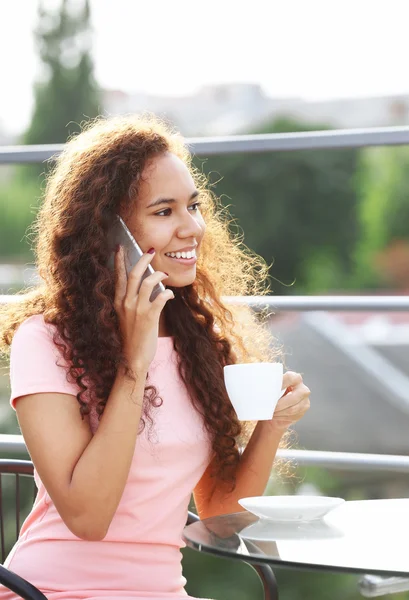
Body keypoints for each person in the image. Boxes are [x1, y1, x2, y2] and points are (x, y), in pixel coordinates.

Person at [0, 114, 310, 600]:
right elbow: (88, 517)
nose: (192, 228)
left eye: (193, 205)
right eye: (164, 212)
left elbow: (220, 515)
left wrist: (270, 425)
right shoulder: (44, 340)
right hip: (55, 590)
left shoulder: (198, 341)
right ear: (107, 232)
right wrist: (134, 360)